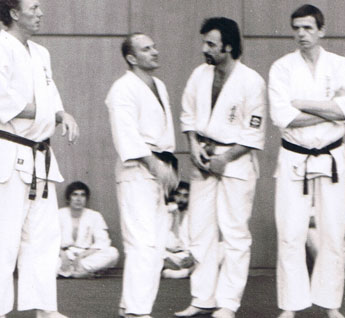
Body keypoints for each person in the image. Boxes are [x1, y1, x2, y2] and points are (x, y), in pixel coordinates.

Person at [0, 0, 79, 318]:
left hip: (41, 158)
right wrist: (50, 112)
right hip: (10, 153)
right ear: (14, 13)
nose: (40, 13)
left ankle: (45, 308)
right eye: (33, 8)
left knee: (44, 238)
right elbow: (4, 103)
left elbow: (51, 96)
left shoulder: (41, 53)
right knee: (3, 241)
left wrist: (63, 114)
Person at [269, 3, 345, 318]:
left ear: (321, 30)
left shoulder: (339, 65)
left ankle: (330, 304)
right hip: (295, 157)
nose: (301, 34)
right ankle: (290, 305)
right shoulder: (282, 68)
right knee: (290, 232)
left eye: (308, 28)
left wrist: (302, 104)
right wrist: (328, 110)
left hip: (331, 156)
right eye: (296, 28)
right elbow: (282, 116)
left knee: (333, 232)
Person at [176, 17, 266, 318]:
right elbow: (188, 115)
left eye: (211, 44)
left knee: (234, 233)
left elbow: (253, 132)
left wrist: (224, 159)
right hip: (203, 158)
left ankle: (228, 302)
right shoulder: (199, 74)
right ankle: (202, 297)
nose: (205, 49)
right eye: (205, 43)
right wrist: (193, 146)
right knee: (200, 230)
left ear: (228, 46)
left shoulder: (251, 81)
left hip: (235, 163)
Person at [105, 33, 177, 318]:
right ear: (131, 58)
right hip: (137, 170)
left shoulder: (159, 85)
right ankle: (137, 312)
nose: (155, 52)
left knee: (155, 245)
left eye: (154, 46)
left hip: (160, 168)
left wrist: (164, 168)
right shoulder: (122, 89)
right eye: (146, 49)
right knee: (142, 243)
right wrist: (154, 164)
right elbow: (126, 134)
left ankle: (130, 306)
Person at [57, 181, 119, 278]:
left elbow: (103, 241)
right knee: (42, 256)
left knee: (112, 253)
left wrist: (82, 256)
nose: (78, 199)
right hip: (62, 256)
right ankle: (80, 272)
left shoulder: (95, 216)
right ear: (69, 198)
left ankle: (67, 272)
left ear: (86, 198)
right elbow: (49, 239)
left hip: (85, 256)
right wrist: (62, 254)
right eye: (75, 195)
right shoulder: (58, 214)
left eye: (82, 195)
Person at [163, 181, 196, 280]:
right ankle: (186, 272)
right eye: (178, 195)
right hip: (167, 256)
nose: (181, 199)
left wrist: (193, 256)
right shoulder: (164, 212)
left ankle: (176, 273)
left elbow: (201, 240)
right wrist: (164, 257)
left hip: (187, 257)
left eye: (185, 196)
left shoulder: (194, 214)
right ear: (173, 196)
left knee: (221, 249)